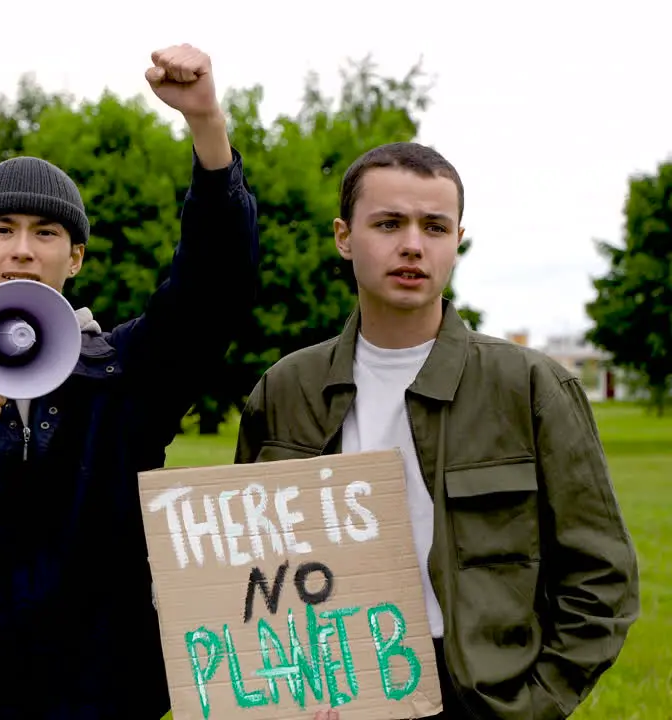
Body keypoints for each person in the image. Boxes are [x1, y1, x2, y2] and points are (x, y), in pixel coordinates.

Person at [0, 44, 260, 718]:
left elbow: (216, 288)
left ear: (76, 259)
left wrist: (207, 125)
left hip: (103, 698)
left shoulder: (121, 375)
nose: (23, 250)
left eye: (46, 233)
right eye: (2, 230)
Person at [235, 142, 640, 720]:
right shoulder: (284, 390)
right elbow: (245, 567)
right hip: (326, 696)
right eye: (389, 223)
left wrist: (532, 705)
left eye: (435, 227)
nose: (412, 245)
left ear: (457, 240)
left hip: (475, 700)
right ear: (344, 237)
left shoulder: (530, 386)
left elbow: (602, 579)